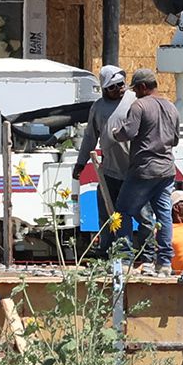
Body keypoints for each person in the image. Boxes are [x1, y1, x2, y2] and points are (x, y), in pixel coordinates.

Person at [101, 68, 183, 269]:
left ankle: (126, 259)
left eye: (136, 89)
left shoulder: (139, 106)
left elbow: (128, 132)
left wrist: (115, 132)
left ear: (144, 87)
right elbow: (175, 139)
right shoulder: (171, 107)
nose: (134, 93)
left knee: (122, 212)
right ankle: (164, 262)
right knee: (163, 216)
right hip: (167, 171)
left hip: (144, 170)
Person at [73, 64, 128, 255]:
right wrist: (81, 163)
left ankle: (144, 254)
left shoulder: (134, 101)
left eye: (121, 84)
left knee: (142, 214)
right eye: (112, 87)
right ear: (104, 88)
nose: (118, 89)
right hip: (110, 170)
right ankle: (106, 249)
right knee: (107, 212)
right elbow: (90, 136)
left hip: (135, 171)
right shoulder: (98, 108)